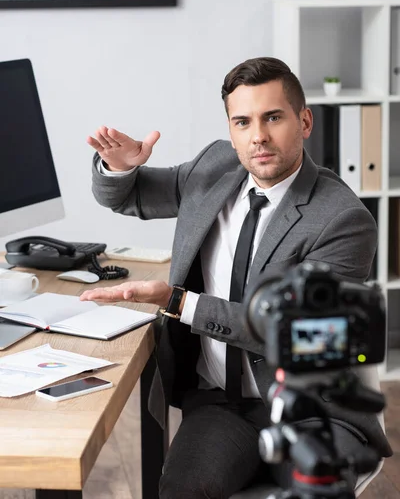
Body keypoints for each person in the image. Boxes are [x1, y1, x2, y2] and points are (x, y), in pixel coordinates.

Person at [83, 57, 392, 498]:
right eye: (242, 122)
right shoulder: (215, 167)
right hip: (221, 403)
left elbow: (298, 335)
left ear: (304, 121)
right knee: (182, 491)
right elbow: (132, 196)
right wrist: (121, 167)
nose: (258, 136)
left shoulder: (342, 220)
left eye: (273, 118)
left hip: (312, 410)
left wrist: (178, 301)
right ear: (230, 130)